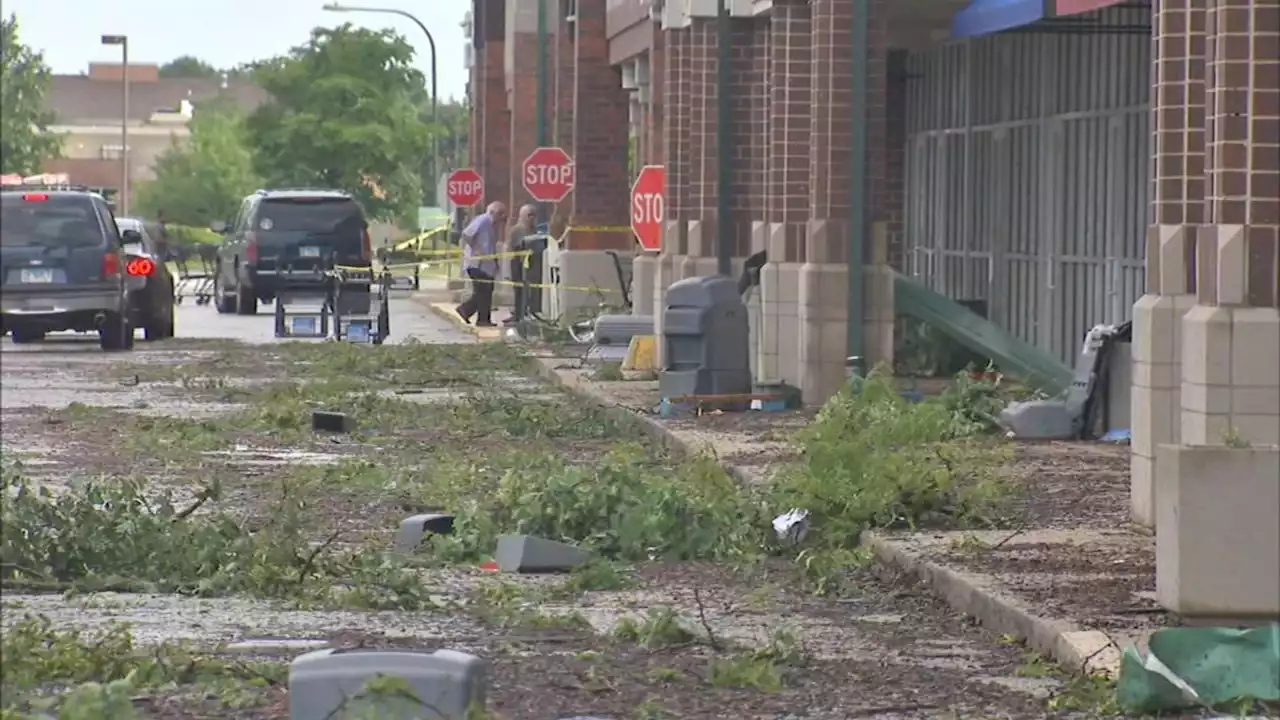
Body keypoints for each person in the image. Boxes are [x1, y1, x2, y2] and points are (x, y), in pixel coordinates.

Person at [455, 201, 507, 327]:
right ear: (494, 212)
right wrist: (475, 248)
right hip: (477, 264)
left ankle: (483, 319)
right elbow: (466, 234)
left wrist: (495, 262)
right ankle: (465, 310)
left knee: (486, 291)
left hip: (487, 265)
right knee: (482, 291)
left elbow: (490, 245)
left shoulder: (492, 225)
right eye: (501, 214)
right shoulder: (483, 220)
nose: (502, 218)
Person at [505, 204, 537, 325]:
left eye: (534, 215)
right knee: (518, 291)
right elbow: (511, 248)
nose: (532, 218)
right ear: (522, 216)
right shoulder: (517, 230)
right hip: (517, 264)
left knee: (528, 291)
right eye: (529, 215)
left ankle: (525, 313)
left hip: (530, 264)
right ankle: (518, 315)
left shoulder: (534, 229)